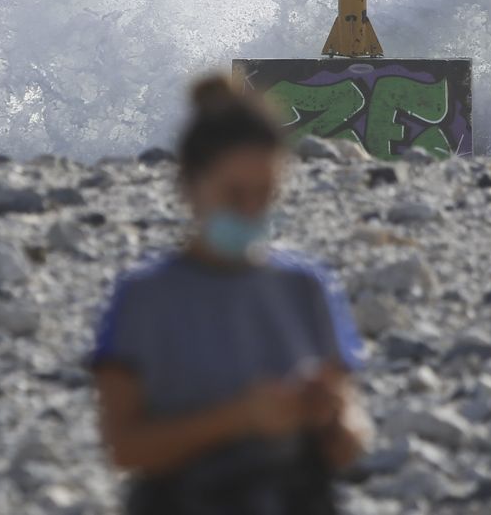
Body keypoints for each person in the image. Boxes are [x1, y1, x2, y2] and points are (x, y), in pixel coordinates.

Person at [88, 71, 373, 515]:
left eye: (265, 194)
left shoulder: (306, 287)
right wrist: (238, 419)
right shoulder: (146, 298)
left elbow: (350, 442)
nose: (250, 210)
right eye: (234, 194)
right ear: (188, 187)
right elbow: (124, 448)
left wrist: (332, 419)